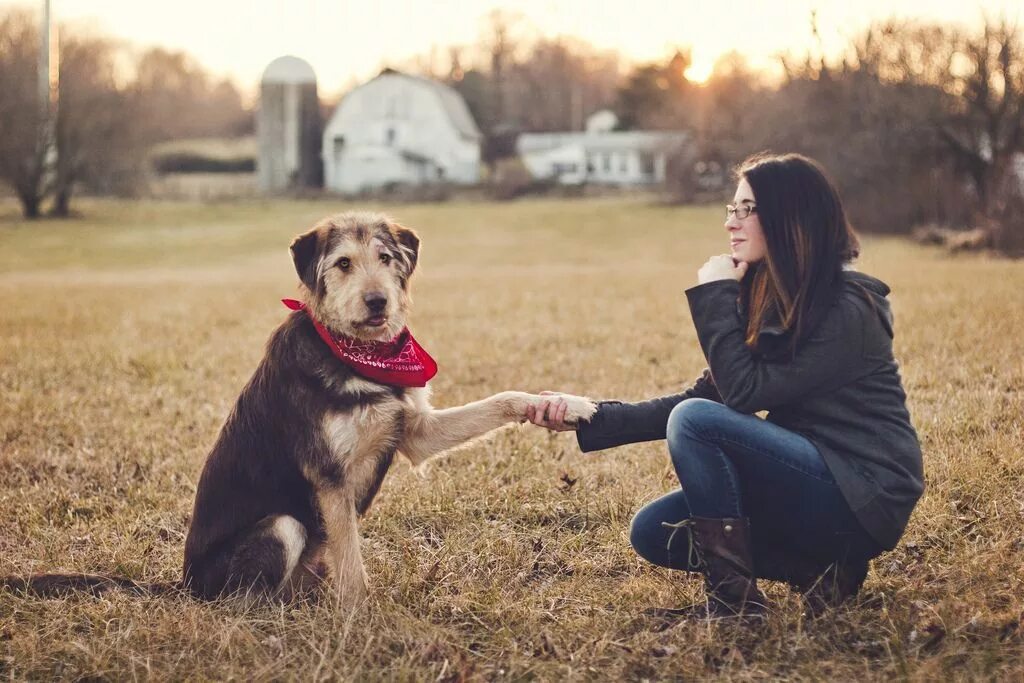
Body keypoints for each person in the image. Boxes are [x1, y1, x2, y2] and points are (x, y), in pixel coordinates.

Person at [527, 152, 924, 620]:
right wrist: (590, 414)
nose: (732, 223)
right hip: (809, 478)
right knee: (655, 531)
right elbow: (708, 397)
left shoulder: (849, 308)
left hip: (862, 494)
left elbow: (739, 396)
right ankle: (821, 569)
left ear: (789, 217)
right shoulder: (772, 294)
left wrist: (716, 295)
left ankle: (735, 605)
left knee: (695, 423)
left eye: (747, 210)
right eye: (731, 210)